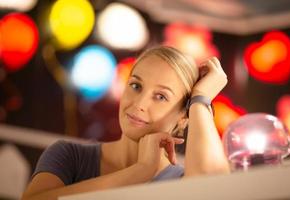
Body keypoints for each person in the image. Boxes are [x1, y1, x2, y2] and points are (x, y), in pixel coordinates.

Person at [22, 46, 229, 200]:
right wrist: (140, 171)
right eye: (136, 85)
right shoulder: (70, 156)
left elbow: (215, 190)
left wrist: (201, 98)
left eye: (161, 96)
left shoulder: (181, 182)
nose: (139, 103)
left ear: (184, 115)